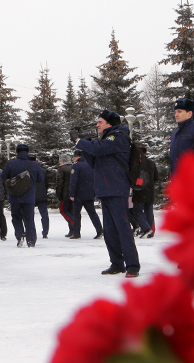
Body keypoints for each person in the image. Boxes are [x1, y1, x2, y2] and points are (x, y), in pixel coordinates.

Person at [76, 109, 140, 277]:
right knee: (110, 230)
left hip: (117, 188)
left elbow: (99, 149)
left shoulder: (118, 136)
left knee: (123, 227)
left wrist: (80, 141)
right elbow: (94, 162)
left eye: (100, 122)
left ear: (110, 124)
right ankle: (117, 263)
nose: (97, 125)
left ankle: (132, 265)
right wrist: (85, 146)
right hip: (105, 189)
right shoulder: (106, 140)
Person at [2, 143, 43, 247]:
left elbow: (3, 177)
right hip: (29, 196)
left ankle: (20, 235)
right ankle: (31, 241)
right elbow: (41, 179)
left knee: (16, 217)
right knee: (29, 218)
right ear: (28, 152)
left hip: (15, 196)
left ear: (17, 152)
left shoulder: (10, 164)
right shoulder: (34, 164)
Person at [67, 151, 103, 240]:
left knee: (76, 214)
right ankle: (99, 230)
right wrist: (95, 192)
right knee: (92, 213)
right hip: (89, 193)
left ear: (76, 157)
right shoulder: (91, 165)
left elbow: (73, 181)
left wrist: (72, 193)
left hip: (78, 194)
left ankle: (76, 233)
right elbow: (95, 180)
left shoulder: (76, 166)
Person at [169, 98, 194, 176]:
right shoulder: (175, 132)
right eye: (175, 112)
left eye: (179, 111)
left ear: (189, 113)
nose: (176, 114)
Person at [129, 143, 158, 239]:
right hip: (150, 191)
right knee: (148, 211)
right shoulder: (151, 163)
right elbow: (156, 178)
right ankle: (151, 230)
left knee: (137, 210)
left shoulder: (136, 163)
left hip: (140, 190)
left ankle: (146, 228)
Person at [29, 154, 51, 239]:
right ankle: (45, 232)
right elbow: (46, 184)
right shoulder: (43, 171)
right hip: (42, 195)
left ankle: (31, 231)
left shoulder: (27, 170)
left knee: (30, 215)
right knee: (44, 215)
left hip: (31, 195)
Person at [57, 153, 76, 238]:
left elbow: (59, 183)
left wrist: (58, 194)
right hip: (73, 193)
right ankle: (72, 230)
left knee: (63, 210)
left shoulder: (62, 169)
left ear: (63, 161)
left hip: (65, 193)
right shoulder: (73, 167)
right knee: (70, 211)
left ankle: (74, 225)